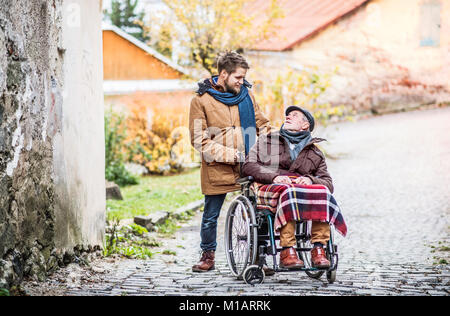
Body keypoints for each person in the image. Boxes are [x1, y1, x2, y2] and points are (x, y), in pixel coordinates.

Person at [189, 51, 271, 272]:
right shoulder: (200, 100)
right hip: (218, 168)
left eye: (243, 78)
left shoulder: (246, 95)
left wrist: (274, 142)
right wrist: (230, 155)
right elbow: (199, 139)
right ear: (223, 74)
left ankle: (257, 259)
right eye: (238, 77)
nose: (242, 82)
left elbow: (261, 123)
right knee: (210, 216)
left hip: (250, 164)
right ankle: (208, 255)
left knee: (260, 212)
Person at [242, 106, 347, 269]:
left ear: (305, 125)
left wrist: (310, 180)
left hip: (299, 191)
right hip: (270, 186)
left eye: (294, 115)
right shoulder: (267, 141)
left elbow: (328, 182)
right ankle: (287, 249)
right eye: (288, 115)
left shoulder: (315, 153)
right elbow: (249, 165)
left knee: (323, 192)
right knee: (289, 192)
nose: (288, 117)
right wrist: (274, 177)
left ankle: (319, 249)